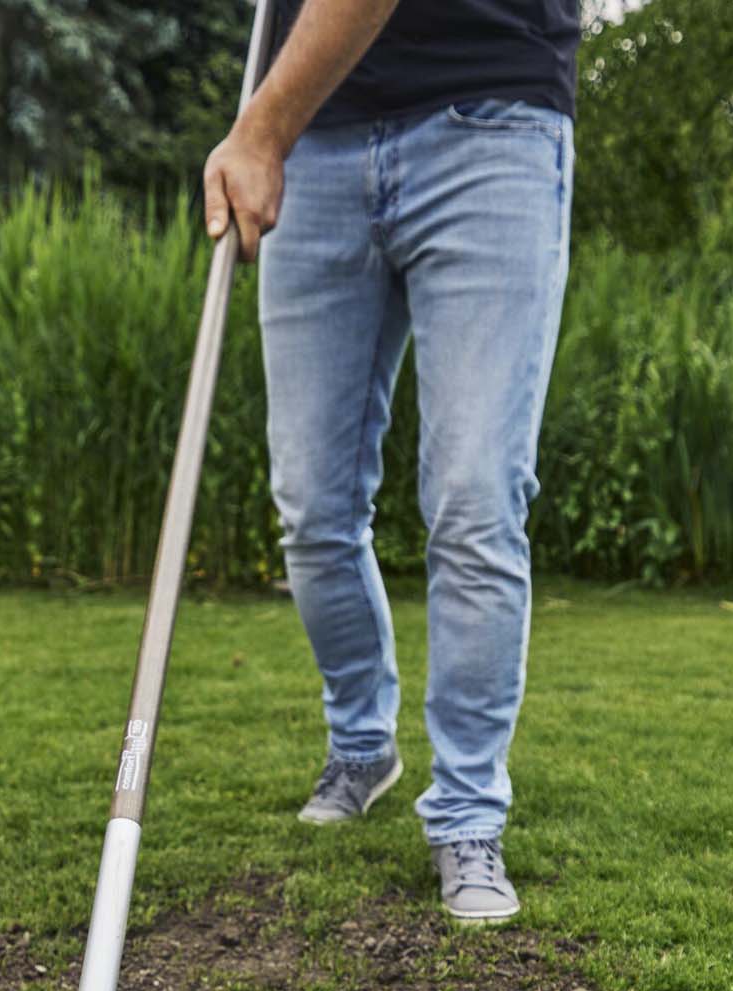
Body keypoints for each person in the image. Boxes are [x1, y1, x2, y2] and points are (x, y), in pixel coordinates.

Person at [205, 0, 580, 923]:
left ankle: (465, 814)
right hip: (319, 147)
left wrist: (259, 126)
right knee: (313, 509)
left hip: (488, 122)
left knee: (475, 497)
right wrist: (282, 130)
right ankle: (363, 745)